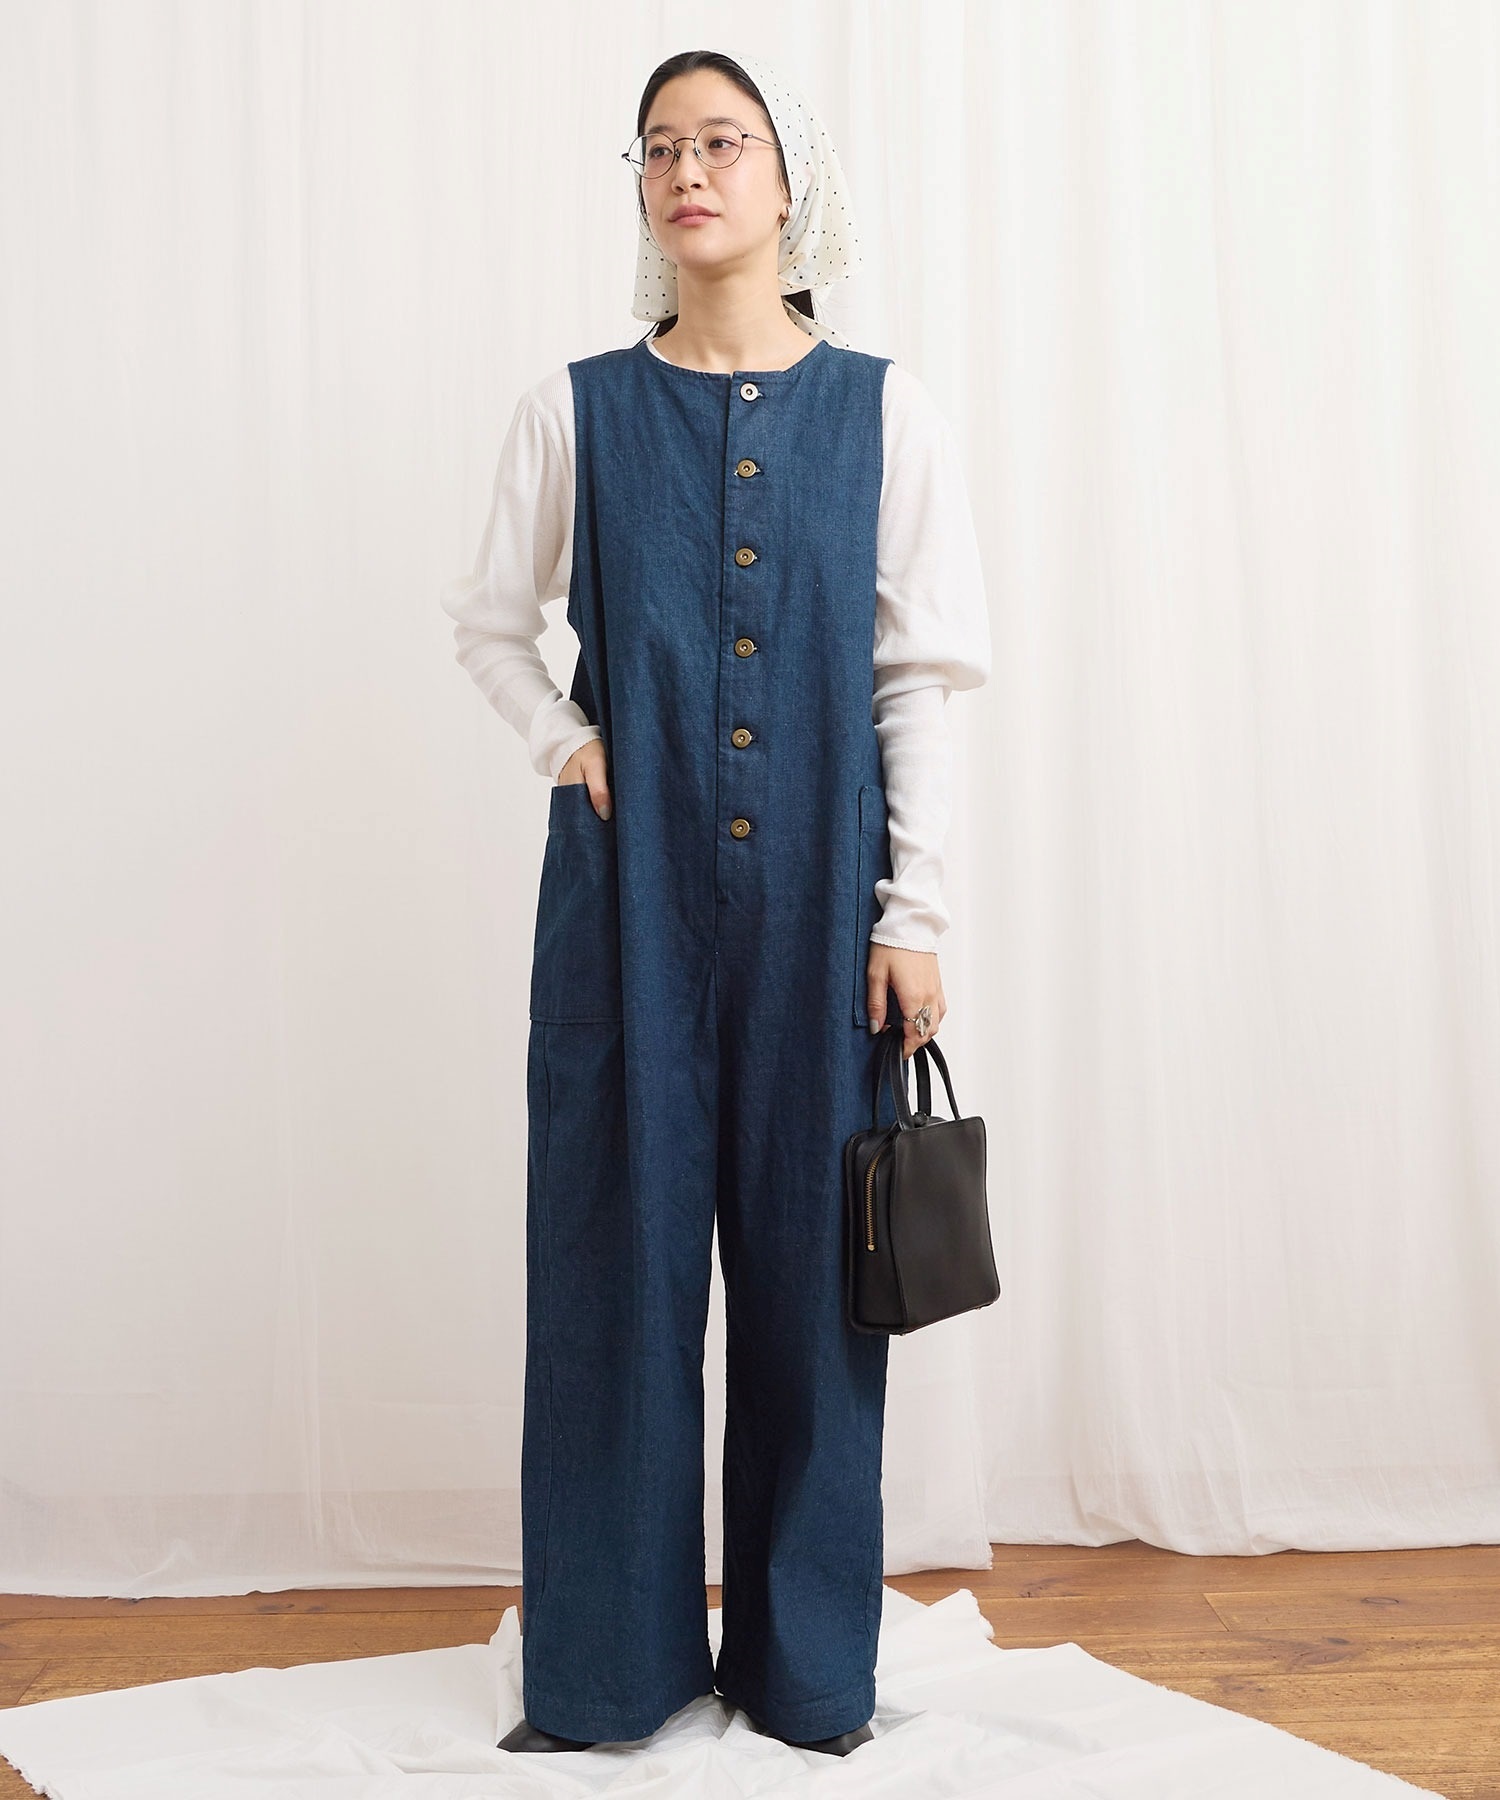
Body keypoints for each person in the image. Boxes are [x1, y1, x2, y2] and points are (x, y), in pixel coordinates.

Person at [439, 48, 990, 1759]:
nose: (688, 171)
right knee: (613, 1273)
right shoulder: (576, 411)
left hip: (830, 911)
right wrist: (566, 740)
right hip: (626, 912)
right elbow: (486, 622)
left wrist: (914, 913)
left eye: (722, 142)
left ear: (787, 180)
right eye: (660, 147)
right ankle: (608, 1675)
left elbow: (917, 679)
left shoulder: (886, 413)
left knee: (819, 1293)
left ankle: (807, 1672)